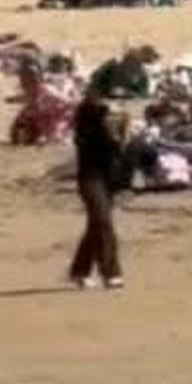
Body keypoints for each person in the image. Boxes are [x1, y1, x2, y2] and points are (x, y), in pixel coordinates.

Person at [69, 85, 125, 289]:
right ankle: (111, 272)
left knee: (96, 225)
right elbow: (96, 142)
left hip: (109, 180)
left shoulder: (110, 128)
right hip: (90, 180)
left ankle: (79, 271)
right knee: (103, 221)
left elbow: (120, 155)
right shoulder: (87, 129)